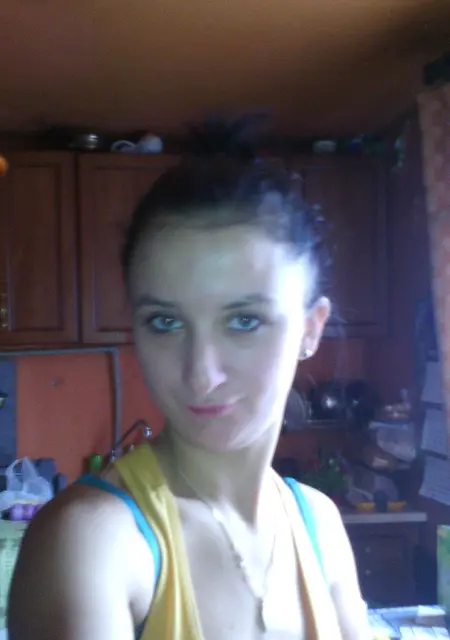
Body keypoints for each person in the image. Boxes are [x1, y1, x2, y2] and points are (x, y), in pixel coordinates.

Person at [8, 151, 371, 639]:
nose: (201, 375)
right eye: (166, 322)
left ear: (310, 330)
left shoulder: (319, 525)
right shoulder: (93, 542)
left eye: (244, 321)